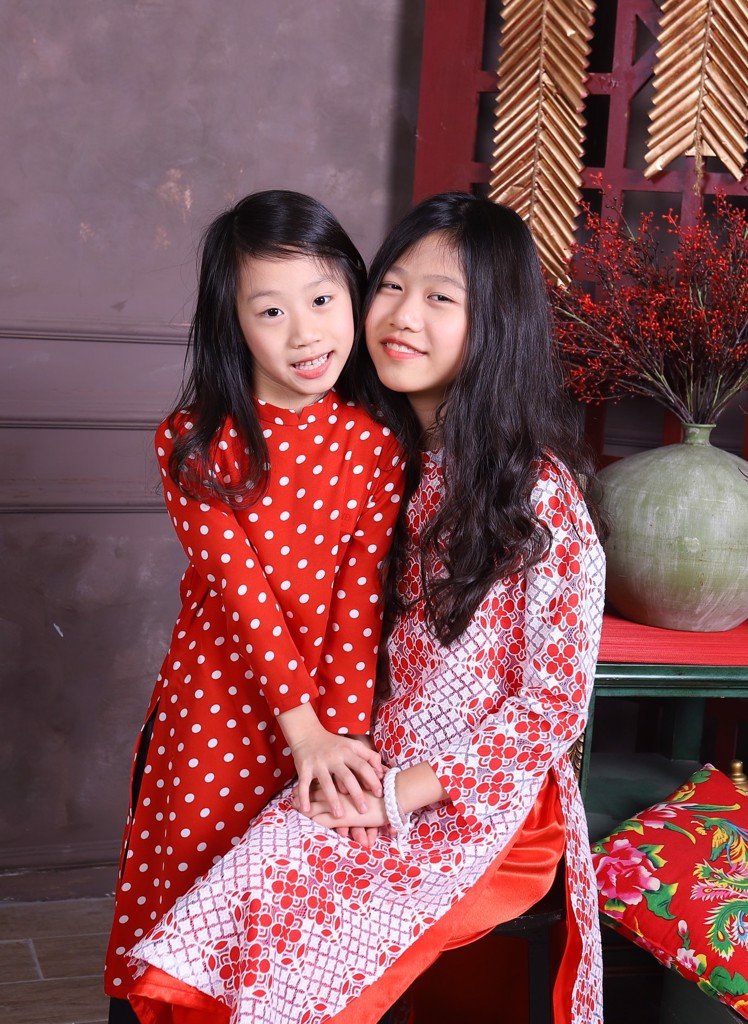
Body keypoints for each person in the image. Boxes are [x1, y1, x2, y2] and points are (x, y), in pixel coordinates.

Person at [126, 192, 606, 1024]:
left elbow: (552, 710)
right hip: (370, 767)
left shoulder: (539, 494)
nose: (403, 317)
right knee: (223, 911)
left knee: (269, 920)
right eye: (391, 286)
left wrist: (399, 790)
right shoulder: (386, 454)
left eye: (440, 297)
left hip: (476, 802)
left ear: (496, 326)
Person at [105, 190, 405, 1021]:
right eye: (272, 311)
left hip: (325, 720)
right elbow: (244, 601)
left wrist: (343, 738)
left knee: (286, 902)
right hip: (218, 704)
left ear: (354, 294)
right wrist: (303, 727)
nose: (306, 333)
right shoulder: (195, 440)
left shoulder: (377, 442)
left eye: (322, 299)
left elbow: (359, 601)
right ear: (232, 323)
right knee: (188, 882)